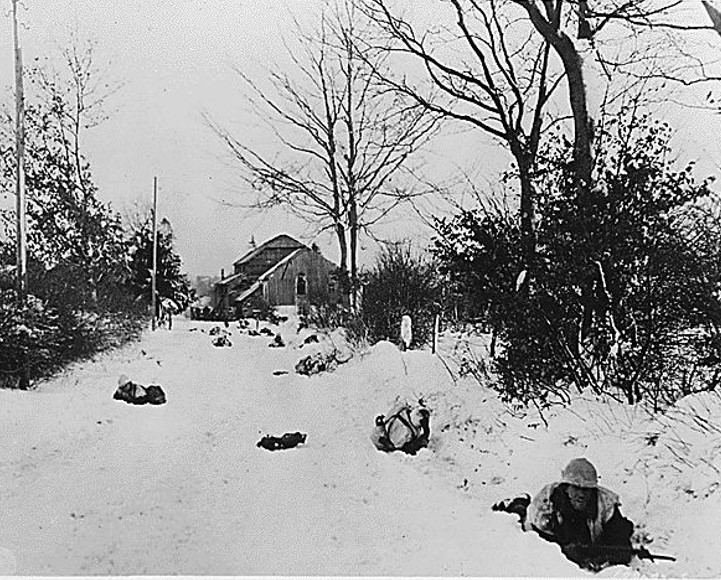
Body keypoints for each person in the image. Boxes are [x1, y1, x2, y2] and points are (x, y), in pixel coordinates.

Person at [522, 458, 634, 569]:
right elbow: (536, 545)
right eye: (576, 488)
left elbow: (622, 548)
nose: (581, 495)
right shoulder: (546, 504)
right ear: (566, 488)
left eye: (586, 489)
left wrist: (594, 555)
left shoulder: (605, 504)